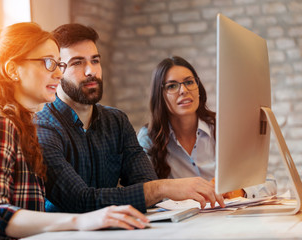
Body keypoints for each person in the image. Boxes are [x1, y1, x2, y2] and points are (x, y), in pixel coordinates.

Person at [0, 22, 150, 240]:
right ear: (12, 70)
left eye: (59, 64)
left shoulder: (23, 126)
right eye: (48, 63)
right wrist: (82, 220)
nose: (59, 74)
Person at [36, 23, 225, 214]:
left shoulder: (116, 121)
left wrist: (156, 190)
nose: (90, 71)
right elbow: (80, 201)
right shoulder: (42, 128)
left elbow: (146, 185)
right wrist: (163, 187)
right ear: (58, 70)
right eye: (77, 63)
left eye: (95, 61)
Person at [137, 56, 277, 199]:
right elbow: (144, 194)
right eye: (172, 86)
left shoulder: (225, 127)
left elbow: (269, 181)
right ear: (159, 95)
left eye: (189, 82)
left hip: (229, 217)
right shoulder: (148, 138)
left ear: (198, 88)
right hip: (183, 220)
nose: (183, 90)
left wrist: (241, 191)